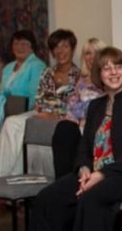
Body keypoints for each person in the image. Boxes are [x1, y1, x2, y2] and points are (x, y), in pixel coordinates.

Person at [30, 46, 122, 231]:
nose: (113, 72)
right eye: (107, 68)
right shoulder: (96, 106)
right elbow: (84, 148)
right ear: (99, 74)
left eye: (118, 66)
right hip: (94, 173)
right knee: (47, 198)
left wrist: (102, 174)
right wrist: (83, 169)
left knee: (90, 200)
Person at [0, 28, 81, 176]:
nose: (60, 51)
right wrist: (43, 112)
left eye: (65, 46)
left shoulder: (79, 76)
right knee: (11, 123)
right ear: (52, 52)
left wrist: (55, 116)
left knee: (33, 126)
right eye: (56, 47)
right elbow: (39, 99)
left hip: (65, 118)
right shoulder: (47, 72)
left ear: (72, 49)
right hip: (42, 112)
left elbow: (76, 107)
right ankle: (1, 178)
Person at [51, 37, 106, 178]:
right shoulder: (82, 80)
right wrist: (73, 120)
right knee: (64, 128)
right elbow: (72, 105)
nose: (92, 57)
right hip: (78, 126)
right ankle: (64, 181)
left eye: (97, 52)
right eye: (88, 53)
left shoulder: (110, 78)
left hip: (98, 127)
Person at [0, 29, 47, 134]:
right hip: (3, 113)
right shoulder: (8, 67)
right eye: (16, 43)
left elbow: (35, 97)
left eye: (24, 44)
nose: (19, 47)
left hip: (24, 114)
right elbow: (0, 93)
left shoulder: (38, 66)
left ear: (32, 47)